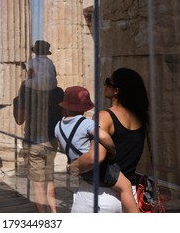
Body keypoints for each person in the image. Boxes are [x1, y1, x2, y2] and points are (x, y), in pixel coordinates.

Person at [68, 68, 149, 212]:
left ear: (116, 90)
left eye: (107, 82)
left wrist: (73, 167)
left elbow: (95, 156)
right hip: (129, 195)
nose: (105, 85)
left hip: (99, 195)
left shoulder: (105, 116)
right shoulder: (141, 118)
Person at [54, 86, 139, 213]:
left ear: (65, 106)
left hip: (82, 170)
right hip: (98, 169)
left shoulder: (58, 126)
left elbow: (60, 146)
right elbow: (103, 136)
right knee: (126, 186)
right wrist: (112, 149)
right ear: (84, 108)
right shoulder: (86, 123)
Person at [13, 40, 63, 213]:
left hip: (34, 140)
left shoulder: (27, 88)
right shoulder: (58, 91)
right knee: (50, 180)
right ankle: (55, 214)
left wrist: (18, 100)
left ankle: (43, 217)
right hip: (51, 141)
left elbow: (19, 119)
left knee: (38, 184)